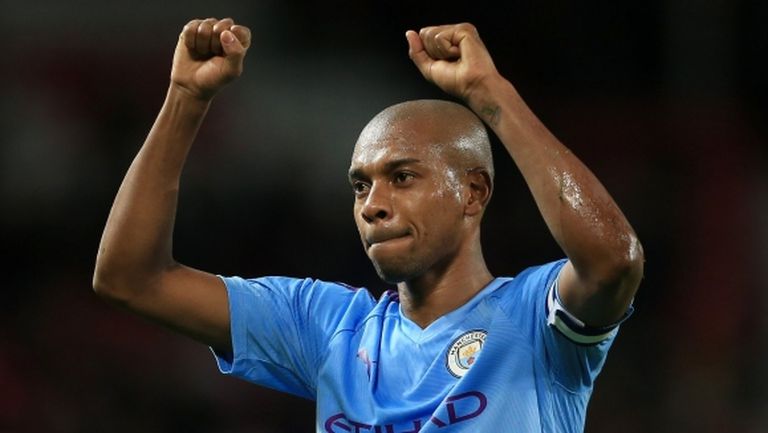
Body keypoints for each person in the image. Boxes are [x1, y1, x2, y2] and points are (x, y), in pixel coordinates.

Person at [93, 17, 644, 432]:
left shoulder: (532, 320)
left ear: (473, 192)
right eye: (361, 185)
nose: (372, 205)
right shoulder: (329, 328)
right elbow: (130, 278)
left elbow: (613, 260)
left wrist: (490, 94)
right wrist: (186, 98)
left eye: (402, 177)